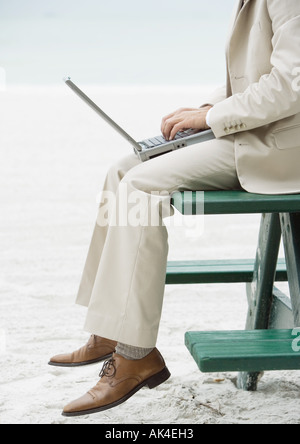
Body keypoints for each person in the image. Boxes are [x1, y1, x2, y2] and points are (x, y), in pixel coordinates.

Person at [49, 0, 300, 417]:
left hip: (279, 148)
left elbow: (291, 83)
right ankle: (110, 330)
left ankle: (135, 356)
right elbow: (252, 78)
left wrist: (213, 118)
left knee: (140, 186)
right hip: (256, 132)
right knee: (121, 173)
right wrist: (204, 109)